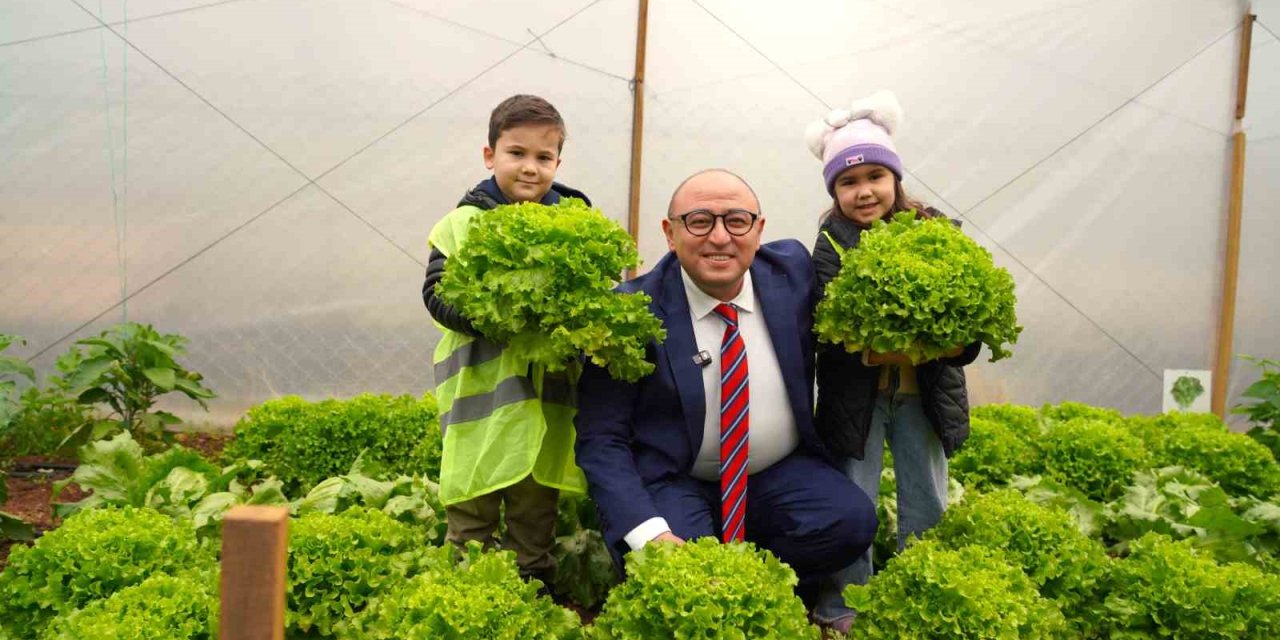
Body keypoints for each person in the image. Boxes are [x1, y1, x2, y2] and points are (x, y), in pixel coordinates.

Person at [574, 168, 877, 612]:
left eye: (736, 221)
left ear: (759, 230)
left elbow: (858, 249)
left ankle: (759, 585)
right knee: (678, 573)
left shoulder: (792, 273)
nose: (720, 237)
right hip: (674, 480)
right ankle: (712, 576)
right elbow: (602, 440)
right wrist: (648, 533)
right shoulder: (629, 314)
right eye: (699, 221)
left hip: (776, 474)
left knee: (848, 521)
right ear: (670, 233)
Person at [804, 90, 982, 631]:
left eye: (875, 178)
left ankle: (921, 592)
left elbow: (967, 335)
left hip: (922, 397)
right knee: (854, 502)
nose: (864, 192)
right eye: (848, 182)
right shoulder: (831, 242)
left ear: (896, 179)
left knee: (926, 497)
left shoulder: (937, 232)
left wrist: (906, 343)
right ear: (835, 190)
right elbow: (834, 331)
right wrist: (924, 340)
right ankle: (842, 605)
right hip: (855, 400)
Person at [422, 94, 591, 585]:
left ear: (558, 161)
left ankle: (531, 592)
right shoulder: (462, 225)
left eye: (544, 157)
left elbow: (598, 298)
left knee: (534, 512)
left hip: (546, 402)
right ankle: (465, 593)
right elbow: (436, 296)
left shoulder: (576, 223)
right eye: (516, 153)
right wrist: (504, 321)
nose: (531, 168)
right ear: (489, 155)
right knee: (471, 509)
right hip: (480, 405)